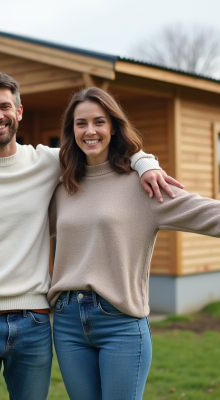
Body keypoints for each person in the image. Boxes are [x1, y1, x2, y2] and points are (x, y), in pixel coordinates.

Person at [0, 72, 179, 400]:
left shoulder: (48, 162)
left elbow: (100, 147)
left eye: (5, 106)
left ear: (18, 111)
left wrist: (146, 163)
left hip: (34, 323)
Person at [48, 87, 220, 400]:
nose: (90, 131)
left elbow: (206, 212)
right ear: (71, 131)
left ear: (113, 126)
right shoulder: (63, 187)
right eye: (80, 123)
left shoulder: (143, 184)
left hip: (119, 323)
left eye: (99, 122)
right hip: (67, 322)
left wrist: (143, 161)